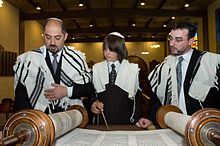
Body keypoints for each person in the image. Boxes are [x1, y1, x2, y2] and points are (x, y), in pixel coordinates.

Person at [136, 21, 220, 128]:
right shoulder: (164, 66)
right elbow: (157, 98)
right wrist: (150, 119)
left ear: (190, 41)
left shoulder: (211, 63)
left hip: (202, 127)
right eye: (170, 38)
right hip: (171, 125)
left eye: (178, 40)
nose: (171, 43)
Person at [13, 18, 96, 114]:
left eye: (57, 38)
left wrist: (66, 91)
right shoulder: (29, 60)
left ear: (65, 36)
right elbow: (21, 95)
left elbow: (88, 88)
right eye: (48, 37)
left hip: (69, 115)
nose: (52, 42)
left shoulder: (76, 59)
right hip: (40, 116)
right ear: (43, 35)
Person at [91, 32, 151, 125]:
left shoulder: (132, 69)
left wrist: (135, 119)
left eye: (111, 49)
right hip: (103, 120)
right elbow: (92, 93)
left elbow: (137, 98)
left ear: (120, 50)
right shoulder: (97, 69)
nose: (107, 52)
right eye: (105, 49)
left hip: (126, 120)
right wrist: (93, 103)